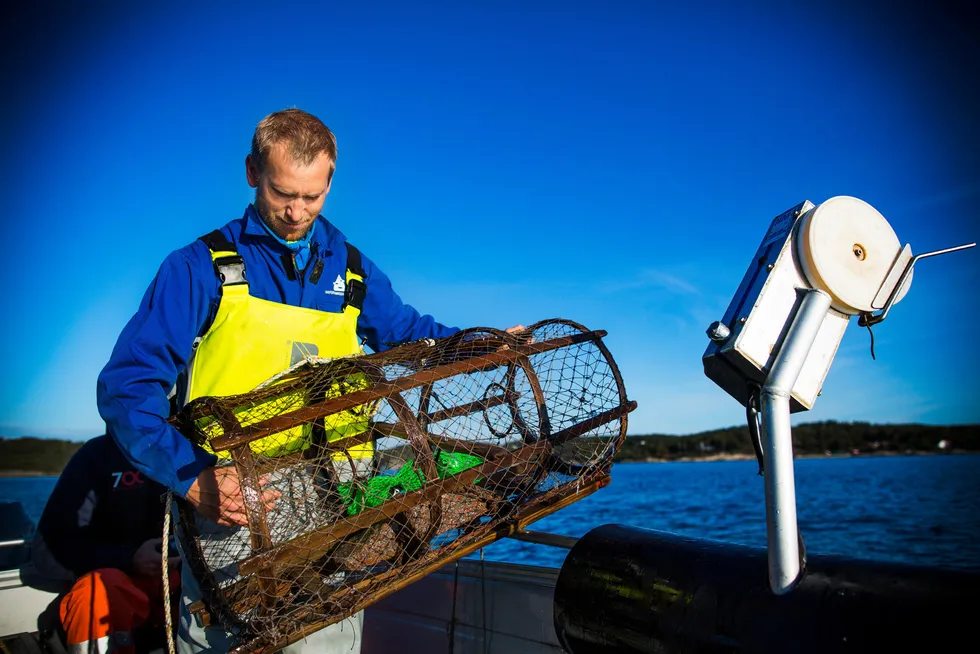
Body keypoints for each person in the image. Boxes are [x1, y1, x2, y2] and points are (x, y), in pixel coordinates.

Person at [96, 109, 474, 653]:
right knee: (224, 640)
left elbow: (411, 335)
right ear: (252, 172)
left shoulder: (353, 271)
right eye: (282, 193)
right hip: (232, 502)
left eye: (312, 197)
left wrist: (479, 344)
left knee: (326, 642)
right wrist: (191, 476)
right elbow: (127, 388)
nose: (297, 212)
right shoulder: (199, 267)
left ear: (329, 184)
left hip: (336, 493)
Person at [32, 435, 181, 654]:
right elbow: (48, 551)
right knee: (96, 591)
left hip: (183, 583)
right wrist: (129, 558)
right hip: (124, 585)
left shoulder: (193, 452)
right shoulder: (97, 455)